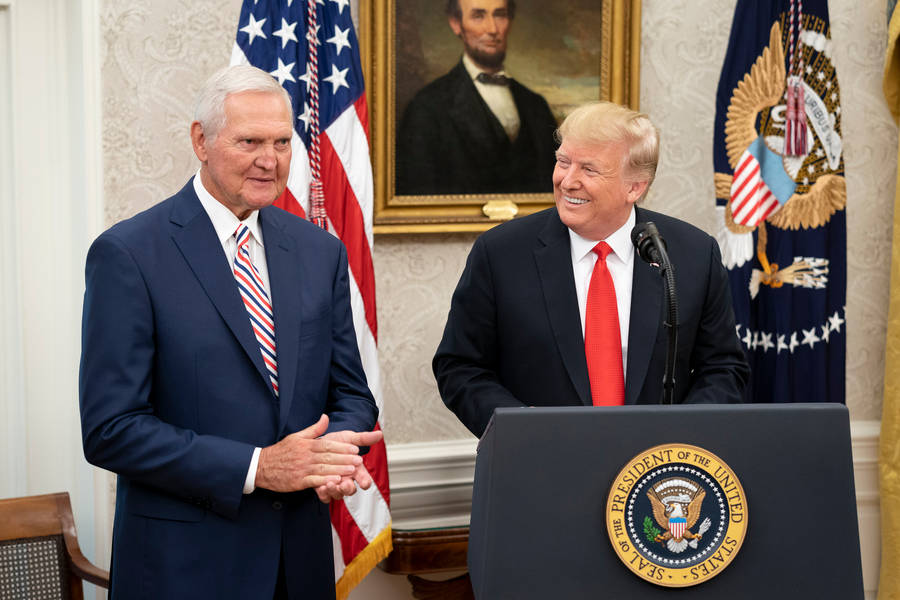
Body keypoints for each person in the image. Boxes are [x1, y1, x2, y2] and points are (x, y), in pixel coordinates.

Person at [79, 65, 381, 599]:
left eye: (282, 142)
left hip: (299, 562)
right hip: (185, 568)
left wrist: (331, 452)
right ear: (201, 140)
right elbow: (111, 429)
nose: (270, 160)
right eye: (250, 142)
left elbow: (351, 394)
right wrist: (258, 467)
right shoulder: (129, 254)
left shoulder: (320, 252)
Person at [433, 102, 750, 437]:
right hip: (540, 457)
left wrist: (679, 433)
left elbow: (724, 368)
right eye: (563, 162)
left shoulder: (692, 254)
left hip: (655, 462)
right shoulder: (501, 253)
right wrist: (520, 426)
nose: (568, 181)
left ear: (635, 187)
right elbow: (460, 367)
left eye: (589, 169)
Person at [396, 0, 559, 195]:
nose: (492, 29)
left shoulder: (536, 106)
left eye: (499, 15)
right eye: (478, 16)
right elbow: (417, 195)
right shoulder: (426, 107)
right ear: (456, 24)